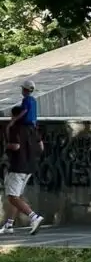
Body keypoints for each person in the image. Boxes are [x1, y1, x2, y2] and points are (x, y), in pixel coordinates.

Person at [2, 105, 44, 235]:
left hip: (17, 166)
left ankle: (34, 217)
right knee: (17, 196)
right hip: (29, 167)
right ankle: (9, 224)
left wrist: (5, 146)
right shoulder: (32, 128)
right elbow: (41, 147)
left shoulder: (15, 128)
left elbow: (16, 146)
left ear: (14, 116)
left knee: (12, 197)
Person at [8, 81, 42, 153]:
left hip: (26, 126)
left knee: (19, 144)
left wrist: (14, 119)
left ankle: (6, 146)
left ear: (25, 90)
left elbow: (25, 110)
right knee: (38, 142)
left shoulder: (26, 99)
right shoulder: (33, 100)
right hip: (34, 125)